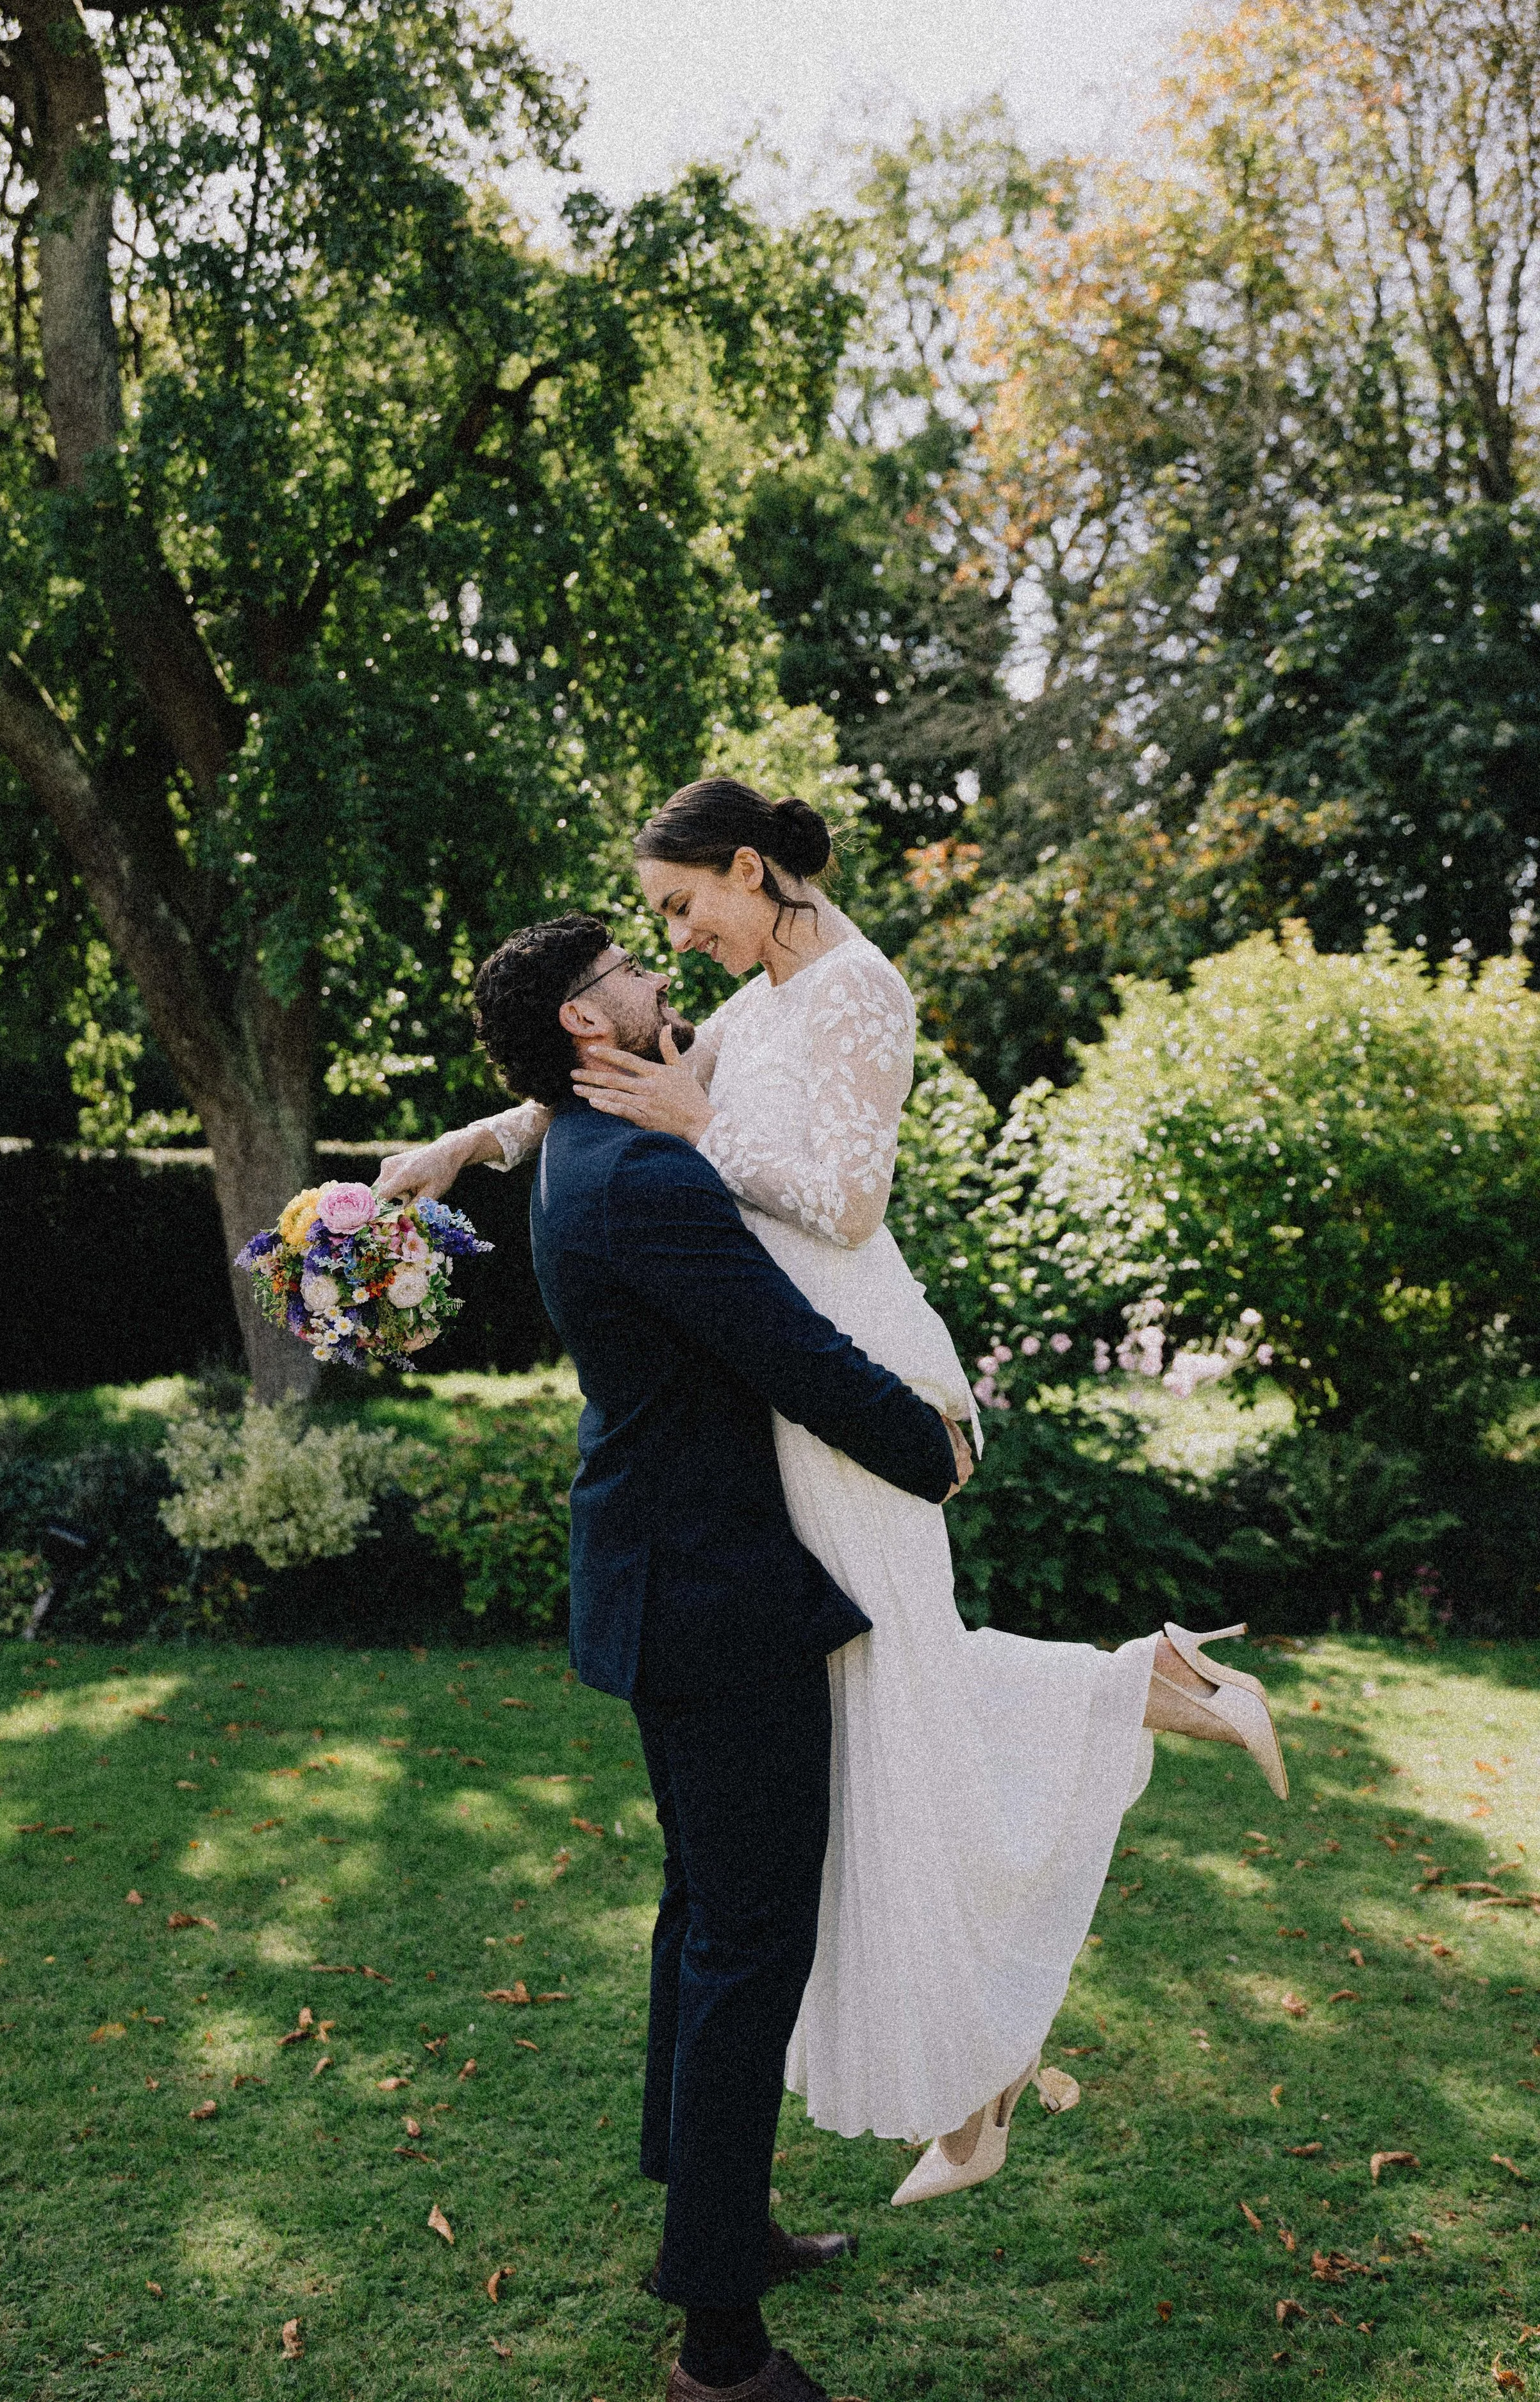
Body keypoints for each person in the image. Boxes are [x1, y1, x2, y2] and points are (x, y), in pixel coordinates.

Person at [379, 781, 1288, 2215]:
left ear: (751, 869)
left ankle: (977, 2051)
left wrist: (695, 1125)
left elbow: (847, 1199)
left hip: (855, 1372)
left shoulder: (859, 989)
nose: (674, 941)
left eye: (684, 906)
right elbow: (603, 1082)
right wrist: (464, 1148)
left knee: (901, 1708)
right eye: (655, 927)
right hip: (784, 1399)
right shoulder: (750, 1007)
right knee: (883, 1728)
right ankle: (1106, 1766)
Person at [433, 911, 973, 2402]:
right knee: (748, 1942)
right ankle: (718, 2349)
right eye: (629, 973)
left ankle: (712, 2211)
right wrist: (931, 1447)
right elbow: (785, 1347)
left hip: (665, 1577)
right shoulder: (649, 1178)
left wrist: (439, 1151)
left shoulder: (575, 1149)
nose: (660, 975)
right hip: (712, 1596)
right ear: (590, 1028)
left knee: (702, 1912)